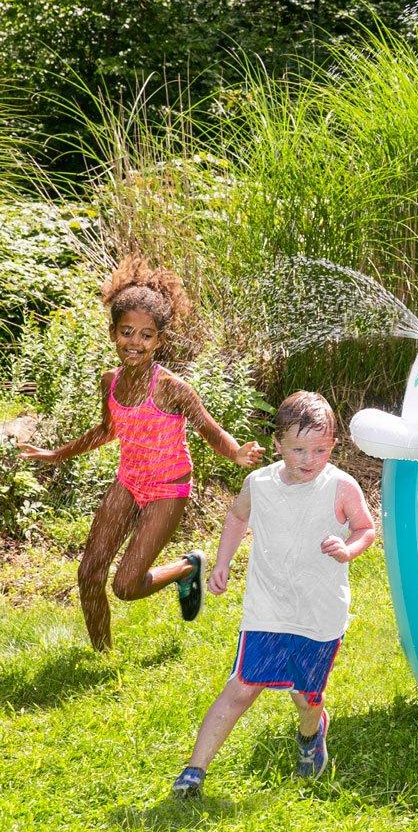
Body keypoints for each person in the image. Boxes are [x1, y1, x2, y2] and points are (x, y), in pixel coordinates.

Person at [17, 255, 264, 651]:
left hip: (168, 489)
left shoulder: (171, 388)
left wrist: (235, 453)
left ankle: (187, 567)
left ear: (159, 341)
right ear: (113, 331)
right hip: (129, 481)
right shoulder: (110, 381)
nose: (135, 342)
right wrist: (52, 455)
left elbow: (209, 429)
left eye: (146, 335)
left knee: (127, 586)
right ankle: (103, 654)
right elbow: (106, 430)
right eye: (127, 332)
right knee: (89, 573)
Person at [171, 391, 376, 796]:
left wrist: (348, 549)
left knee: (306, 697)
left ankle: (310, 736)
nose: (308, 459)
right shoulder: (259, 483)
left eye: (320, 449)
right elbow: (236, 516)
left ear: (332, 446)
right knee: (242, 687)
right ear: (278, 444)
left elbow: (366, 528)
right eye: (298, 449)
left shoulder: (340, 486)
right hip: (267, 607)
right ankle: (194, 771)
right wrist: (223, 561)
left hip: (318, 614)